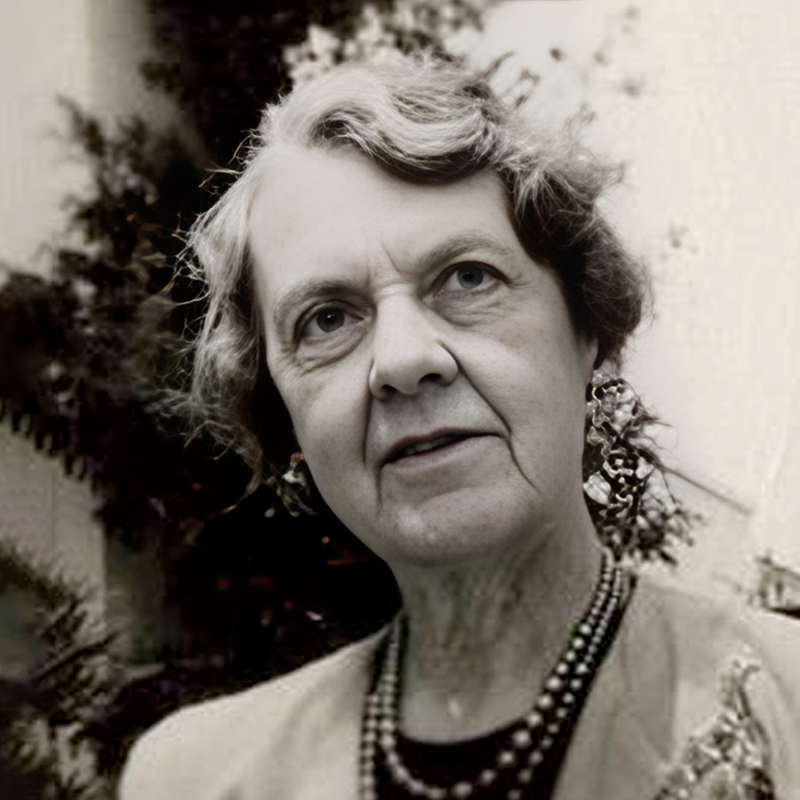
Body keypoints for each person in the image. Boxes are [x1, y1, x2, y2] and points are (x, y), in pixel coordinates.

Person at [119, 52, 800, 800]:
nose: (403, 360)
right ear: (283, 414)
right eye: (328, 319)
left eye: (468, 278)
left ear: (586, 327)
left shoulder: (785, 704)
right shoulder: (190, 781)